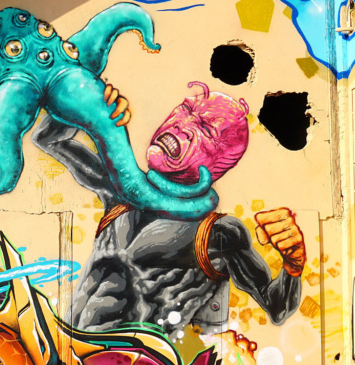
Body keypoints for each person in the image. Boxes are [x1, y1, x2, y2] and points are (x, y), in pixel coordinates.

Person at [32, 82, 305, 337]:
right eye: (185, 109)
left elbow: (277, 306)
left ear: (218, 163)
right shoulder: (119, 193)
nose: (182, 125)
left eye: (206, 129)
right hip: (65, 359)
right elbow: (48, 140)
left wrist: (293, 264)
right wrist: (82, 96)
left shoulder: (216, 234)